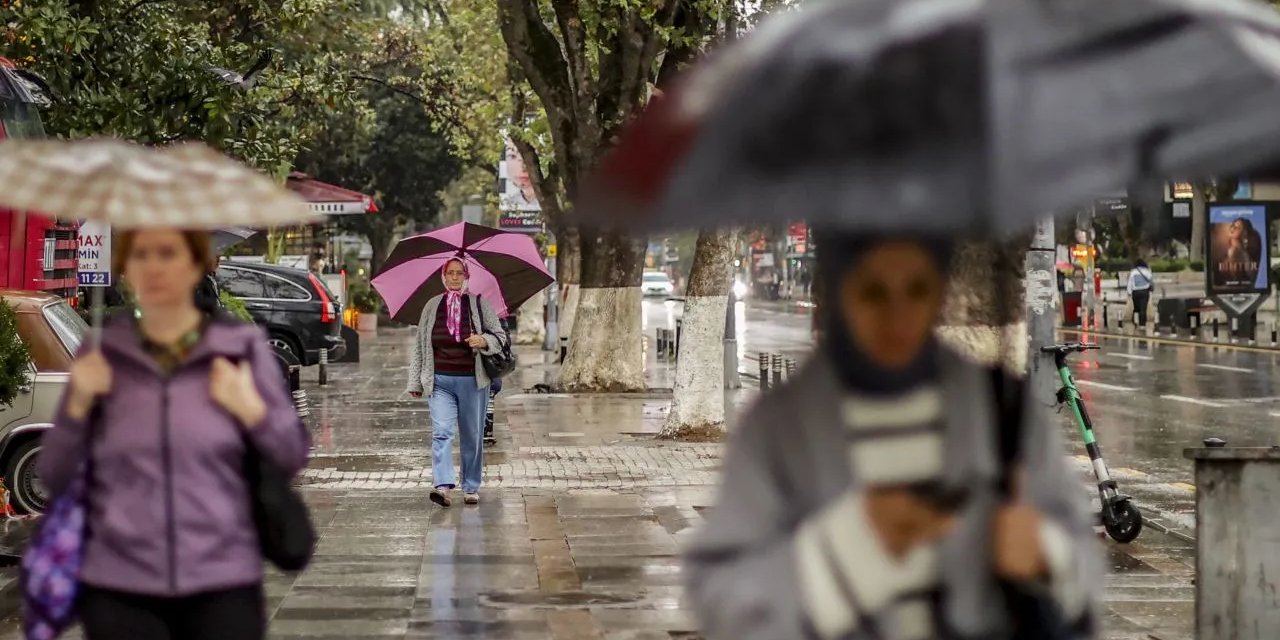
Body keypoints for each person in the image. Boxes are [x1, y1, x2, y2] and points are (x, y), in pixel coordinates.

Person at [683, 230, 1100, 640]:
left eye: (917, 289)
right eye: (874, 292)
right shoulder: (779, 429)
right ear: (839, 294)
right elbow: (722, 596)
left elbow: (1083, 567)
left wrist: (1045, 555)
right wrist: (851, 543)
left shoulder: (1003, 410)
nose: (898, 317)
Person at [37, 229, 309, 640]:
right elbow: (55, 474)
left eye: (168, 253)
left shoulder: (239, 349)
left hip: (221, 580)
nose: (154, 267)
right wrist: (77, 409)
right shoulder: (103, 355)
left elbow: (291, 453)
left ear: (195, 264)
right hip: (120, 583)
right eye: (141, 255)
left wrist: (250, 410)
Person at [406, 258, 508, 507]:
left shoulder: (479, 303)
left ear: (466, 276)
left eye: (459, 273)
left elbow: (500, 336)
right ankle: (442, 486)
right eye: (450, 273)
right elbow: (421, 345)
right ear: (443, 276)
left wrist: (483, 341)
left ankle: (471, 486)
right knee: (441, 432)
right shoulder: (432, 306)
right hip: (439, 381)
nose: (454, 278)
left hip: (472, 381)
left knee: (472, 435)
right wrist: (415, 382)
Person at [1127, 259, 1153, 327]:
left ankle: (1135, 322)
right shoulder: (1147, 271)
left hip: (1135, 292)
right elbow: (1151, 281)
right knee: (1143, 308)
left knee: (1136, 308)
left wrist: (1129, 292)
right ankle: (1142, 325)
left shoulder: (1133, 272)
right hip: (1144, 291)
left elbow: (1130, 282)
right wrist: (1152, 289)